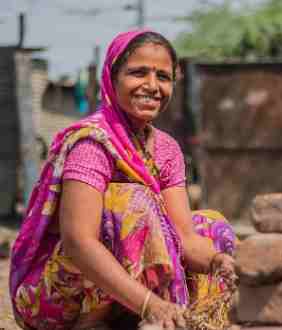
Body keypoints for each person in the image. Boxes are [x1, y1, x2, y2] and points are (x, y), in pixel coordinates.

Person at [9, 30, 237, 330]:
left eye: (163, 77)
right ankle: (98, 323)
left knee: (210, 225)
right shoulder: (92, 145)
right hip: (58, 298)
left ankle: (177, 317)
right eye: (138, 73)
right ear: (112, 77)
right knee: (133, 203)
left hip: (129, 298)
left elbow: (186, 238)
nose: (153, 86)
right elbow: (79, 242)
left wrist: (218, 262)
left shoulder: (166, 149)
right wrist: (150, 305)